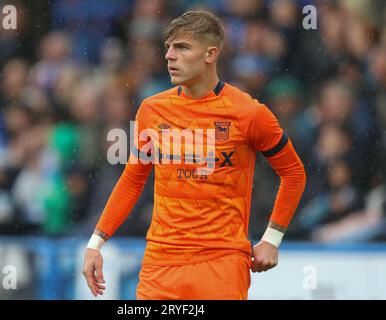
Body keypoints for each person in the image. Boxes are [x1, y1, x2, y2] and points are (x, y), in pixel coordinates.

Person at [83, 10, 306, 300]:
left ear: (211, 54)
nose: (169, 56)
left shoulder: (248, 113)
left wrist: (271, 239)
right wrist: (95, 243)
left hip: (221, 264)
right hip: (160, 265)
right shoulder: (152, 110)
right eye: (168, 48)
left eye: (182, 47)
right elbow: (132, 180)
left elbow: (294, 173)